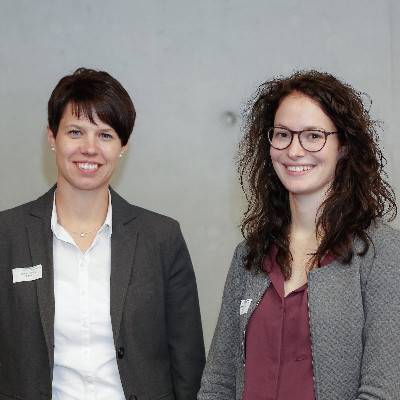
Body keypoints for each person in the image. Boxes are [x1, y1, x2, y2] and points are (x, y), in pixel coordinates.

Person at [0, 68, 205, 400]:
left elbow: (188, 362)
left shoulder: (161, 238)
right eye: (76, 132)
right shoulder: (6, 236)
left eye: (105, 135)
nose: (89, 148)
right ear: (52, 137)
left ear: (123, 145)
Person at [198, 70, 400, 400]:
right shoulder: (249, 255)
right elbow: (219, 380)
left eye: (313, 135)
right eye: (283, 134)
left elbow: (384, 390)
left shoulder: (383, 253)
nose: (294, 151)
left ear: (344, 146)